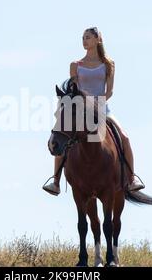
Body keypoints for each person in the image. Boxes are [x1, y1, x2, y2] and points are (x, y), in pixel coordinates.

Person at [43, 26, 145, 196]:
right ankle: (55, 181)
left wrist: (97, 103)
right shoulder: (75, 65)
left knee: (125, 138)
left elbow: (109, 91)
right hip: (81, 109)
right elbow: (74, 89)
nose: (84, 41)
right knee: (63, 135)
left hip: (102, 108)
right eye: (83, 38)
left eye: (88, 37)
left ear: (98, 39)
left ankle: (132, 178)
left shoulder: (108, 64)